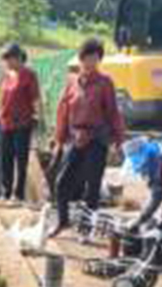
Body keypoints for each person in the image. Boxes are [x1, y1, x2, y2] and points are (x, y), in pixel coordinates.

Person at [50, 38, 126, 238]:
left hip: (96, 138)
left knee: (92, 186)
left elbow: (113, 112)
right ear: (80, 59)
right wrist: (59, 140)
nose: (89, 63)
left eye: (94, 58)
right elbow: (62, 111)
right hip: (75, 137)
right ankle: (62, 221)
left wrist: (118, 140)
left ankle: (87, 229)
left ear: (99, 60)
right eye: (86, 58)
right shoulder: (72, 82)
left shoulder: (105, 83)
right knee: (61, 181)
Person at [0, 44, 41, 202]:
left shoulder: (29, 75)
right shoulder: (7, 76)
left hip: (22, 123)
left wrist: (39, 118)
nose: (7, 63)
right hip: (5, 123)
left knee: (20, 159)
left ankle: (18, 193)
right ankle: (5, 192)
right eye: (5, 60)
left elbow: (35, 99)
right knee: (5, 158)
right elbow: (2, 100)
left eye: (8, 59)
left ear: (17, 58)